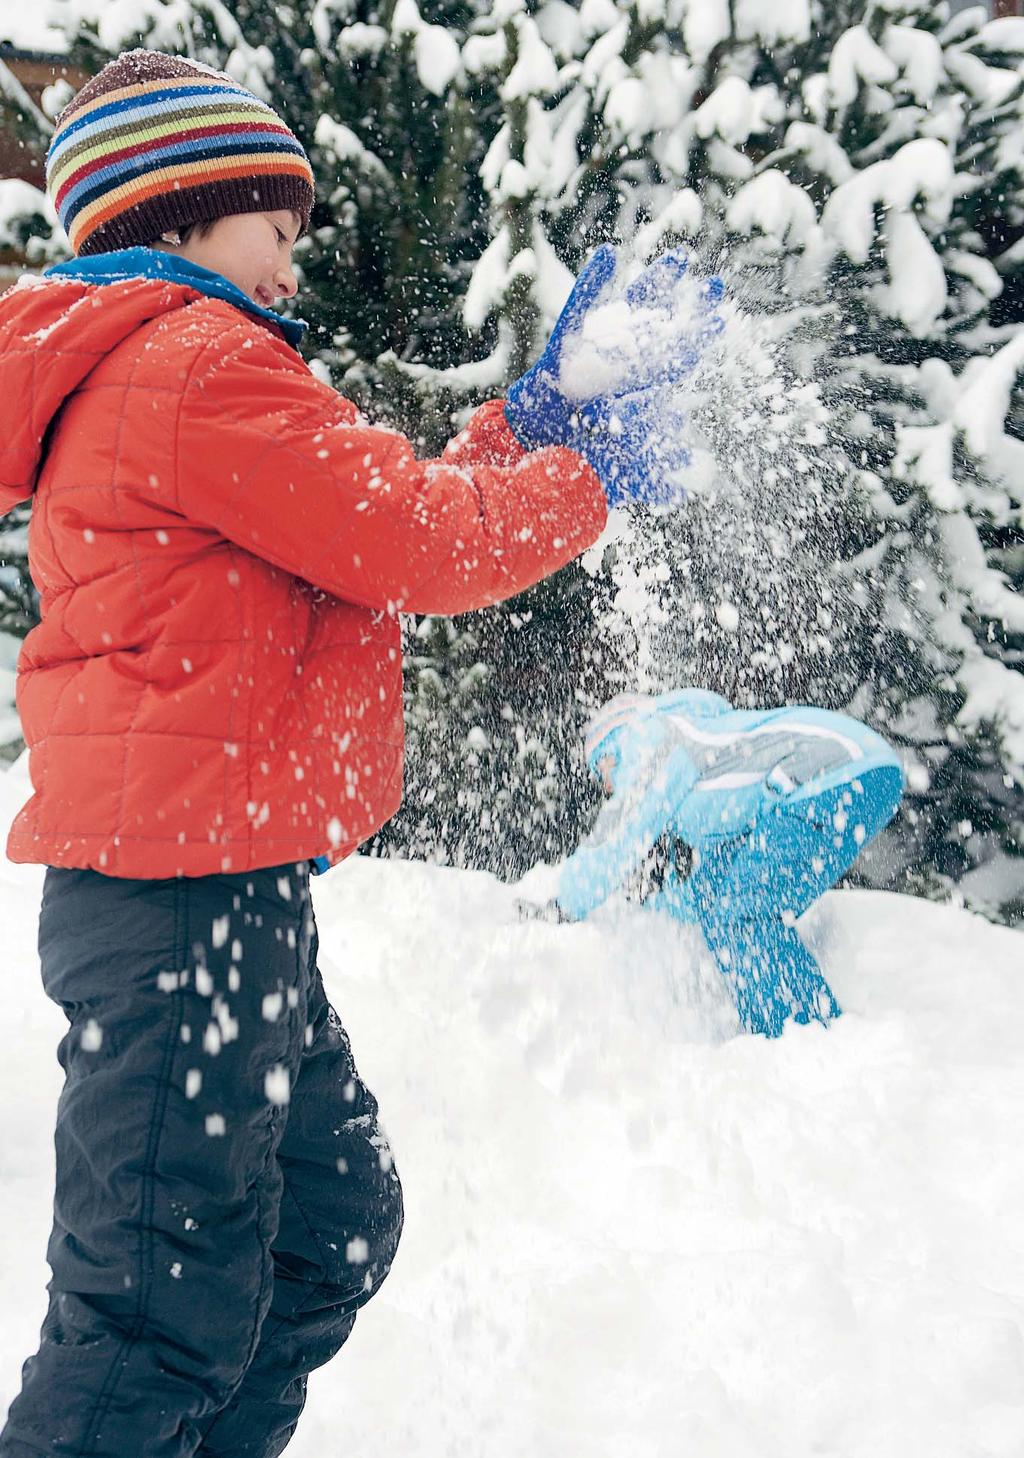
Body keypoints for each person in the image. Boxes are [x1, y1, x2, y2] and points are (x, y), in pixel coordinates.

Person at [0, 49, 696, 1458]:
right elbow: (413, 543)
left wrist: (516, 434)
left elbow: (362, 515)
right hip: (175, 907)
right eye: (279, 221)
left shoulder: (180, 372)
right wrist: (586, 473)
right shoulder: (194, 363)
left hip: (214, 894)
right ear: (183, 214)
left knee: (326, 1227)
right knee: (149, 1318)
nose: (297, 257)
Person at [554, 689, 905, 1037]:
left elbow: (621, 831)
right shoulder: (710, 769)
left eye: (601, 769)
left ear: (612, 745)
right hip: (856, 774)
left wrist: (564, 903)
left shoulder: (651, 734)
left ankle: (804, 1040)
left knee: (744, 913)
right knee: (729, 909)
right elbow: (711, 888)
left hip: (833, 769)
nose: (608, 785)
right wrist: (649, 905)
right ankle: (799, 1033)